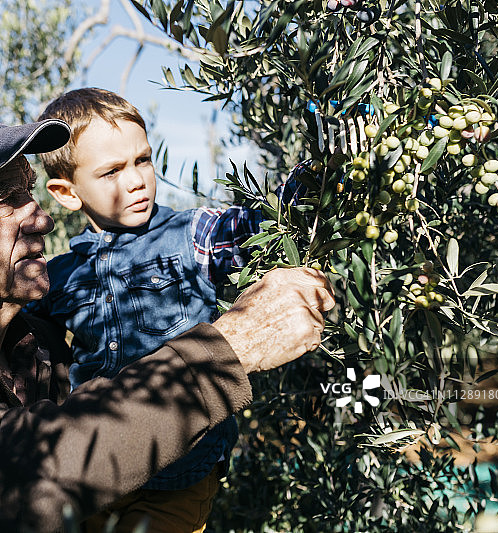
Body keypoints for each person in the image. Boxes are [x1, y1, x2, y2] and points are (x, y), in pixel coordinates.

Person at [0, 105, 335, 533]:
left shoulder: (31, 337)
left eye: (28, 193)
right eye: (6, 200)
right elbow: (14, 484)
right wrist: (229, 349)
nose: (41, 218)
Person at [26, 88, 308, 532]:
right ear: (66, 193)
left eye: (143, 160)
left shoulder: (190, 236)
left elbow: (263, 224)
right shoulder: (60, 274)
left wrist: (315, 175)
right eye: (111, 171)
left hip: (181, 474)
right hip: (97, 470)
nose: (136, 180)